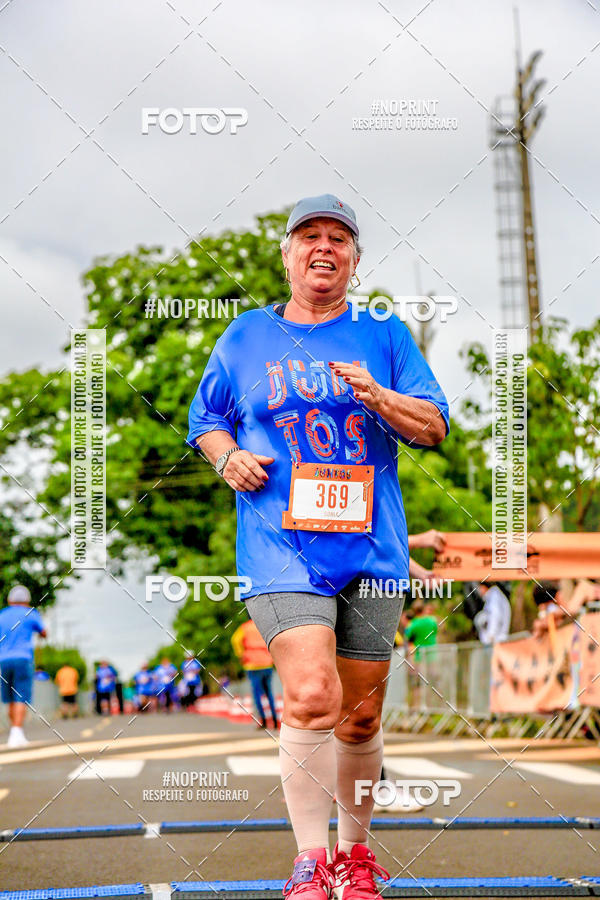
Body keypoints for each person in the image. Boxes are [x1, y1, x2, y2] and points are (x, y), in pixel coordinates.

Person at [187, 194, 449, 898]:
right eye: (310, 236)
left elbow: (434, 426)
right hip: (281, 546)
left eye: (339, 238)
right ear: (288, 254)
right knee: (309, 696)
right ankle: (310, 859)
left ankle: (354, 855)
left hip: (371, 550)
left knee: (359, 717)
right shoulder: (245, 335)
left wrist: (380, 398)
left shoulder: (383, 334)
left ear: (355, 261)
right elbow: (206, 419)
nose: (324, 247)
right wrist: (226, 457)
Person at [0, 585, 47, 747]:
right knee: (21, 696)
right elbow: (43, 632)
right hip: (23, 658)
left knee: (10, 699)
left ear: (9, 600)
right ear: (27, 601)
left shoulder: (2, 614)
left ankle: (14, 732)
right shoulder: (31, 613)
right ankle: (17, 732)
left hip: (4, 660)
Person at [231, 617, 279, 729]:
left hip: (252, 664)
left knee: (257, 694)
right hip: (267, 663)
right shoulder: (265, 626)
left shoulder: (245, 627)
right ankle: (275, 720)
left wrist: (241, 655)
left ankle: (263, 721)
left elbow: (235, 640)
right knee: (269, 693)